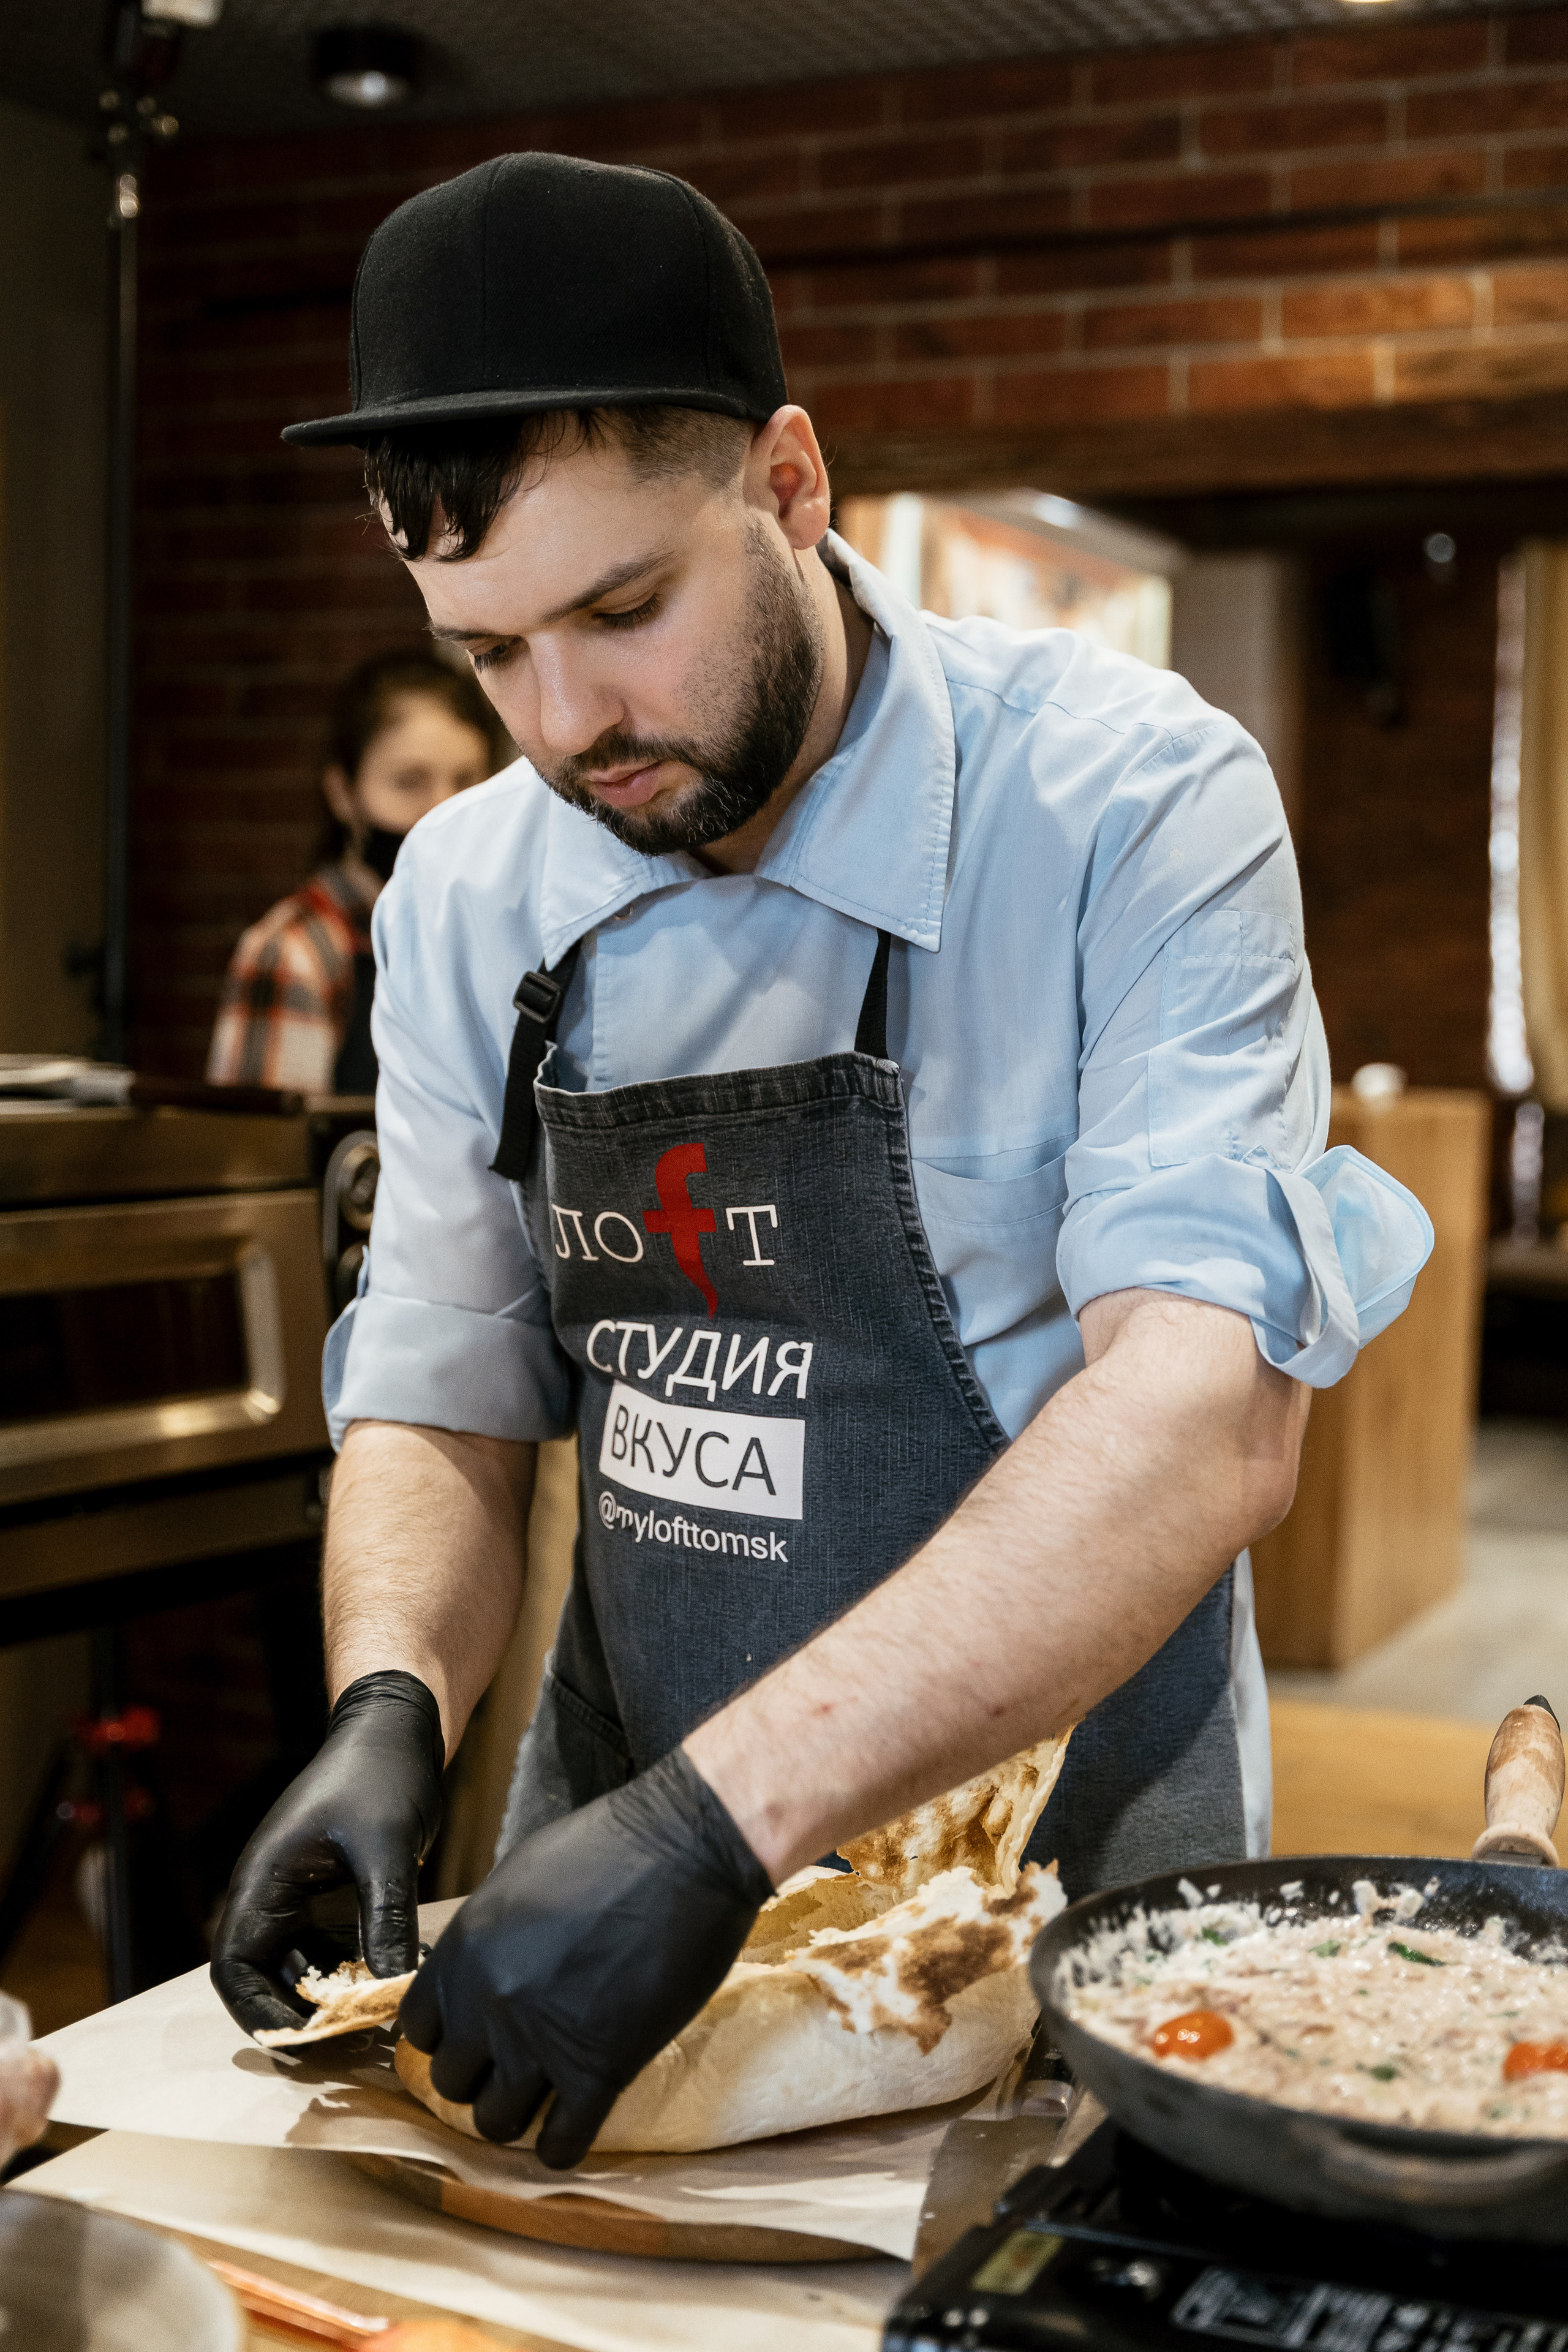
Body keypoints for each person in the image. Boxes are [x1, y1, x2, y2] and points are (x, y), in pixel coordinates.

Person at [211, 154, 1433, 2166]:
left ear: (791, 484)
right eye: (485, 650)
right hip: (610, 1874)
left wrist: (722, 1819)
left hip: (1056, 1884)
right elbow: (446, 1372)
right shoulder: (464, 891)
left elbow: (1205, 1415)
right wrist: (390, 1700)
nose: (565, 724)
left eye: (622, 611)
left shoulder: (1127, 804)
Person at [206, 649, 497, 1093]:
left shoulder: (498, 934)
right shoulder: (296, 953)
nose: (443, 812)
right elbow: (262, 1156)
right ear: (343, 794)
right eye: (409, 782)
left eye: (465, 781)